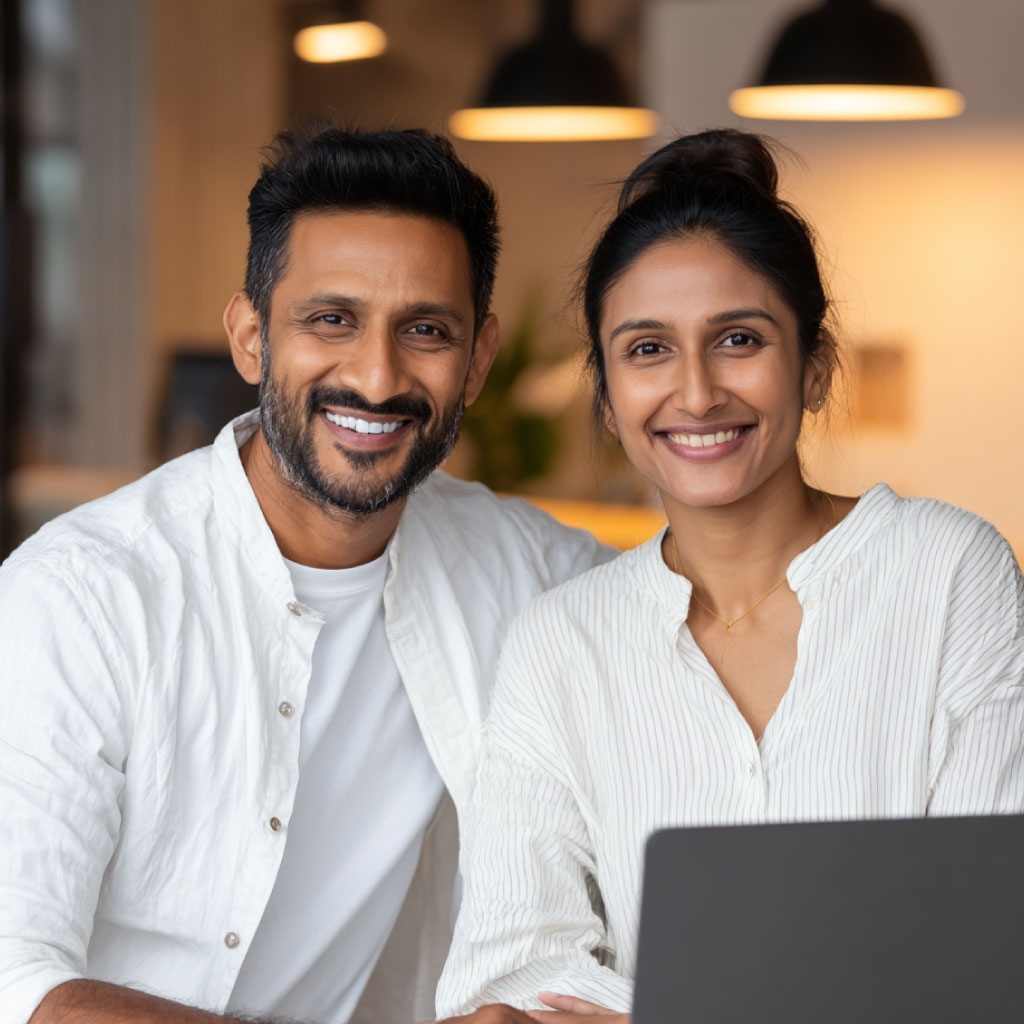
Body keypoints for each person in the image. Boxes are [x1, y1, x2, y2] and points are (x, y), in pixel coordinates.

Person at [0, 125, 613, 1024]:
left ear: (477, 361)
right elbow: (19, 985)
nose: (376, 375)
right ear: (251, 337)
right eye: (332, 320)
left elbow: (726, 612)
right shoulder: (84, 595)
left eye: (426, 331)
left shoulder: (530, 570)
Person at [436, 129, 1024, 1020]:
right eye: (647, 350)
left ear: (815, 367)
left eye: (739, 339)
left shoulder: (948, 573)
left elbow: (982, 936)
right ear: (606, 395)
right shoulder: (563, 642)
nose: (699, 392)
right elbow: (509, 975)